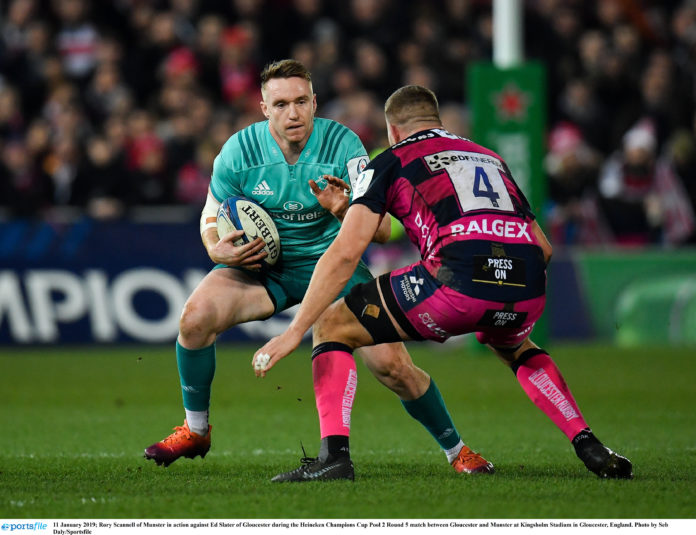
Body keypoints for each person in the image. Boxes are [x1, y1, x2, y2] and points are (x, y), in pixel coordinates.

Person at [255, 85, 633, 480]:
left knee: (332, 324)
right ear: (436, 121)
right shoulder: (489, 158)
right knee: (515, 345)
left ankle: (334, 458)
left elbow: (346, 253)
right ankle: (587, 441)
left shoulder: (391, 159)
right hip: (525, 283)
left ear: (394, 131)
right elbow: (544, 248)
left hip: (455, 282)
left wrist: (293, 331)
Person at [144, 61, 494, 480]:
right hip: (264, 267)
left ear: (314, 103)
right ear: (263, 108)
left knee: (391, 367)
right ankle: (196, 430)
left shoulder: (344, 146)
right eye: (280, 104)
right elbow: (210, 215)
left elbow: (381, 230)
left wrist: (344, 207)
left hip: (334, 271)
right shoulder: (238, 152)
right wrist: (217, 250)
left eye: (299, 102)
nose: (292, 113)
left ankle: (458, 450)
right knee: (194, 318)